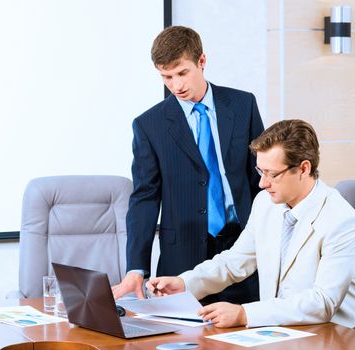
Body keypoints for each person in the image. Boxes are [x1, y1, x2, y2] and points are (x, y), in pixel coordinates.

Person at [146, 119, 355, 328]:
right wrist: (185, 283)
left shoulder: (340, 220)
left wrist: (244, 314)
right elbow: (236, 262)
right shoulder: (266, 203)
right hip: (280, 331)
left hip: (332, 334)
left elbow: (322, 302)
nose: (262, 183)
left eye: (272, 174)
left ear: (304, 168)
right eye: (260, 171)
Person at [112, 26, 264, 304]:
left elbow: (262, 180)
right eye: (166, 77)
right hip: (181, 258)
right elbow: (145, 197)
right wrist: (136, 267)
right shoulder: (149, 125)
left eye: (182, 73)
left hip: (242, 248)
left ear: (202, 62)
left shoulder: (243, 105)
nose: (176, 85)